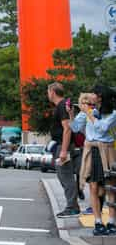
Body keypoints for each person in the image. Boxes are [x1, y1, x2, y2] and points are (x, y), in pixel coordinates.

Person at [70, 89, 116, 236]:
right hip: (92, 150)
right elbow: (75, 128)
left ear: (100, 97)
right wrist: (71, 114)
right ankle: (97, 221)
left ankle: (112, 222)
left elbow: (102, 128)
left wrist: (88, 113)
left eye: (94, 93)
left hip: (107, 151)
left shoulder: (112, 114)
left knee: (110, 188)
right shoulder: (87, 111)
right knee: (94, 187)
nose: (91, 96)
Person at [48, 82, 80, 218]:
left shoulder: (61, 106)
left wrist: (64, 150)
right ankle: (74, 205)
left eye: (48, 92)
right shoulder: (62, 106)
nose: (48, 95)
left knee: (65, 176)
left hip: (64, 145)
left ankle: (72, 207)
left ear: (53, 92)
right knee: (63, 176)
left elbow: (67, 128)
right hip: (62, 145)